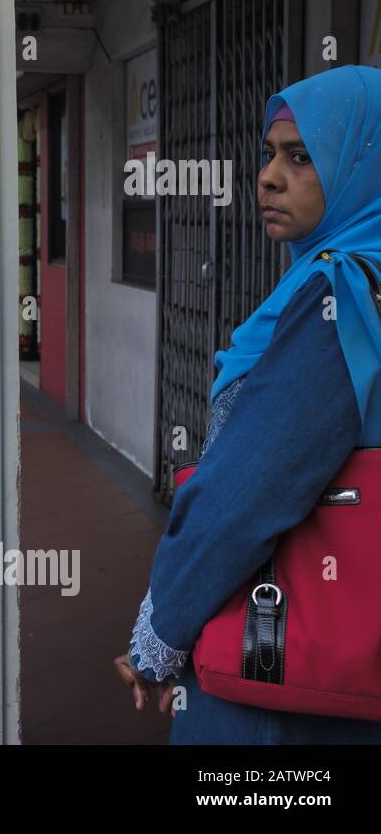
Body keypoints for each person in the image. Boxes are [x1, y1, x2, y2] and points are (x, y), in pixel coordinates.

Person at [115, 65, 381, 743]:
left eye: (301, 158)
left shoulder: (338, 299)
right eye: (270, 155)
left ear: (363, 166)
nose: (267, 177)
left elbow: (246, 492)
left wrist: (160, 635)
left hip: (284, 676)